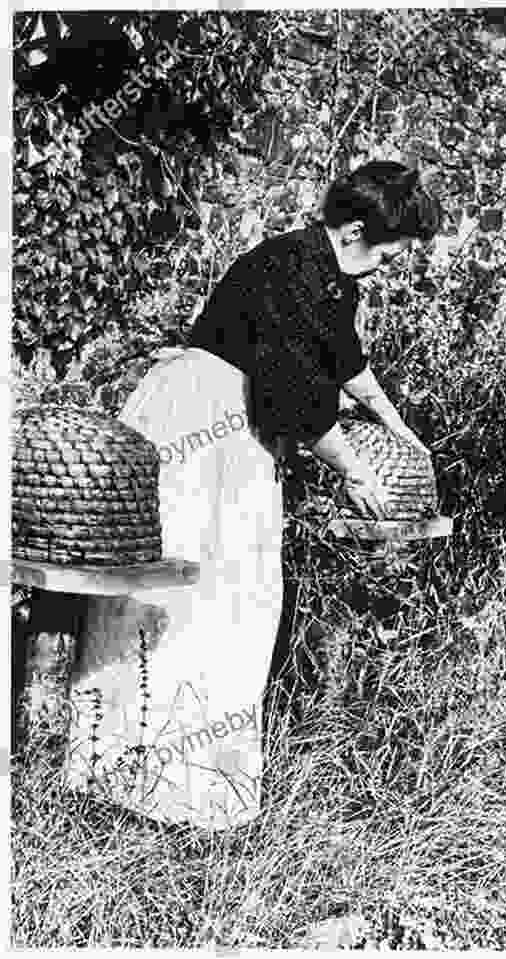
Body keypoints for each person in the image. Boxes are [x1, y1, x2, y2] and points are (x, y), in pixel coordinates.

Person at [64, 161, 442, 831]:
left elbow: (345, 359)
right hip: (200, 419)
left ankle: (194, 788)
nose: (391, 264)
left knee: (241, 594)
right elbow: (293, 388)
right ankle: (138, 778)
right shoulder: (288, 269)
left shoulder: (330, 277)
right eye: (389, 250)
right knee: (190, 590)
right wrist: (353, 469)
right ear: (355, 230)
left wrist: (397, 424)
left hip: (239, 424)